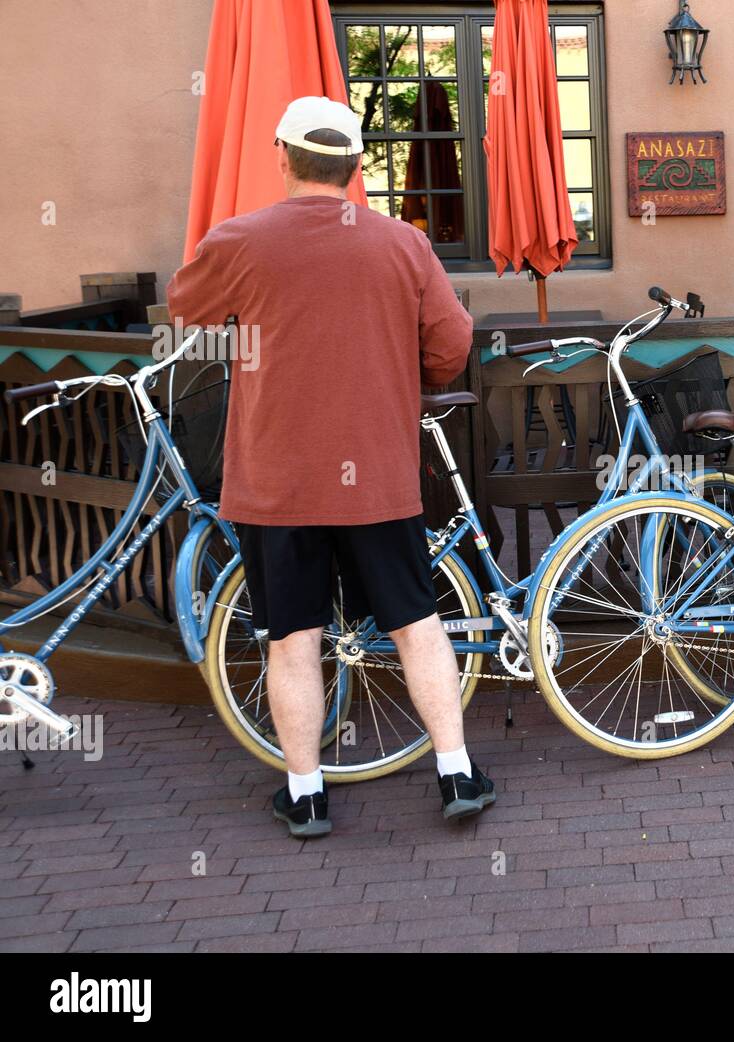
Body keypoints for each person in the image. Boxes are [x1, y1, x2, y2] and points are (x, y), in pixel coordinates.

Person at [166, 96, 493, 837]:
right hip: (378, 478)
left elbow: (185, 312)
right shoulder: (403, 245)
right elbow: (449, 348)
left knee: (294, 638)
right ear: (355, 168)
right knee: (417, 624)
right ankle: (455, 774)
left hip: (276, 483)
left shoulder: (240, 240)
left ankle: (307, 792)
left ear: (281, 157)